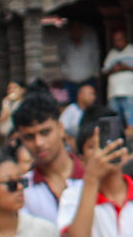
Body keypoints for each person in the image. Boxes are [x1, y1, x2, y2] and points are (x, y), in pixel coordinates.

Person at [12, 94, 81, 227]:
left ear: (61, 129)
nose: (39, 143)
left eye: (45, 132)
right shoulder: (22, 188)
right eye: (29, 137)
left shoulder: (91, 177)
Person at [101, 28, 133, 132]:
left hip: (130, 93)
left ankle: (132, 143)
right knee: (114, 122)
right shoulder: (112, 54)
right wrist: (113, 70)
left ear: (125, 39)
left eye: (120, 39)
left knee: (131, 121)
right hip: (114, 94)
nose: (118, 42)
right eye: (115, 40)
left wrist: (127, 67)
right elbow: (104, 72)